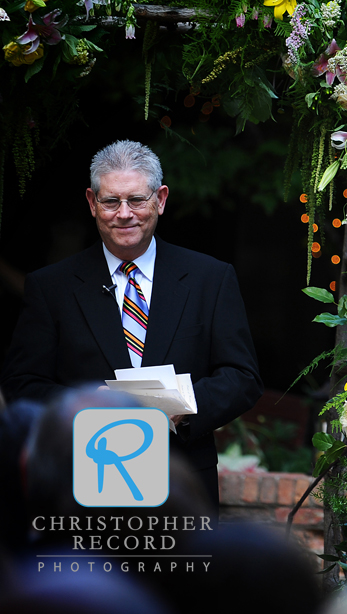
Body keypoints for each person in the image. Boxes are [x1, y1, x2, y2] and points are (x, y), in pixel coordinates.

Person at [0, 140, 263, 511]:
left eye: (137, 200)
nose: (124, 214)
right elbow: (21, 385)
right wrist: (89, 409)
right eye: (111, 202)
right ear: (92, 203)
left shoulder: (211, 278)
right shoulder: (51, 287)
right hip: (79, 485)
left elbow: (242, 376)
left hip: (182, 482)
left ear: (161, 199)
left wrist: (177, 410)